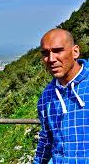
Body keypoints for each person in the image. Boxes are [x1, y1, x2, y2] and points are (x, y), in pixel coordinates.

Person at [34, 28, 89, 164]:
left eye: (58, 50)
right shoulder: (46, 97)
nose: (51, 59)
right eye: (45, 53)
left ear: (75, 51)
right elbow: (46, 139)